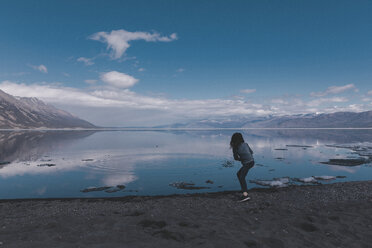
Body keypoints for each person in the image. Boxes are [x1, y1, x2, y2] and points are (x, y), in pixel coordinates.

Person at [230, 132, 255, 202]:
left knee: (241, 177)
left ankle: (245, 195)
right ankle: (244, 190)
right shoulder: (246, 144)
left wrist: (242, 158)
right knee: (239, 174)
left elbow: (236, 158)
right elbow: (252, 152)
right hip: (252, 162)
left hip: (247, 163)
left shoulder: (235, 147)